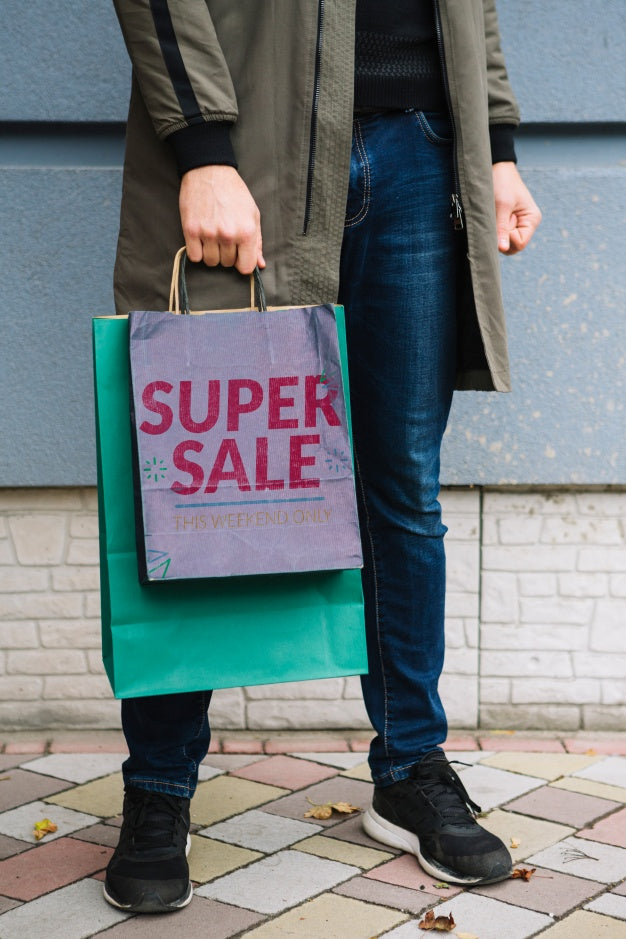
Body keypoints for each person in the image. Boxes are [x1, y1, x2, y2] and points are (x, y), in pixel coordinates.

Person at [106, 0, 541, 914]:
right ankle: (159, 786)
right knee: (197, 474)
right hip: (249, 146)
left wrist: (494, 141)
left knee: (402, 487)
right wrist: (202, 149)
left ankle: (411, 768)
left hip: (424, 150)